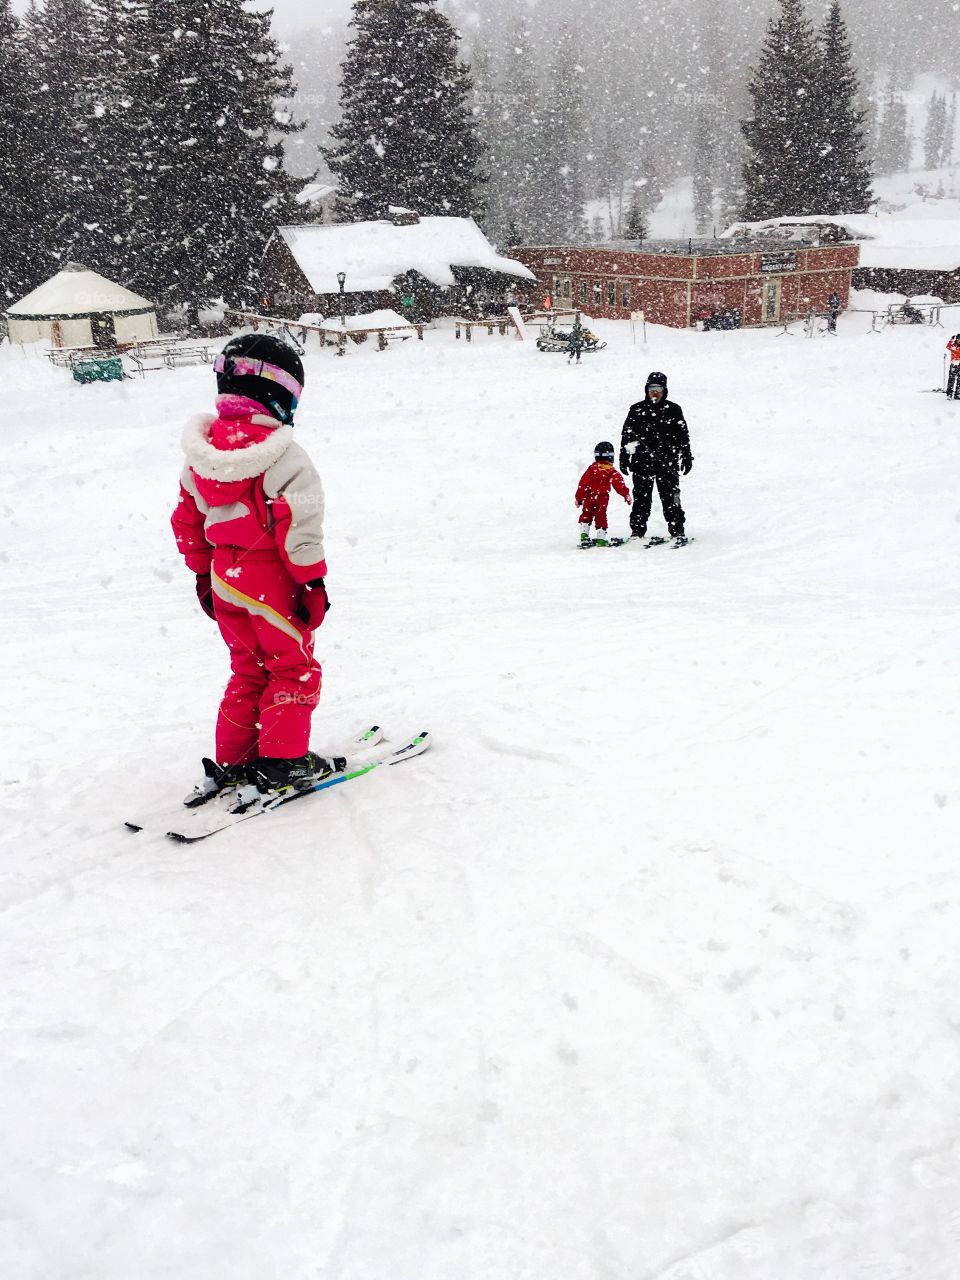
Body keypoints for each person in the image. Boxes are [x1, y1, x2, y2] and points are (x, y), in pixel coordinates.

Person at [171, 332, 333, 799]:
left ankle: (236, 759)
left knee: (247, 667)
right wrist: (312, 583)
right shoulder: (285, 456)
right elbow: (301, 523)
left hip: (225, 578)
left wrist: (204, 573)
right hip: (271, 581)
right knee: (291, 668)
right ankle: (283, 761)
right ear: (281, 396)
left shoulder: (202, 456)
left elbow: (187, 519)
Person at [619, 372, 693, 547]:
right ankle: (637, 530)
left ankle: (677, 529)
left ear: (664, 391)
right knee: (641, 499)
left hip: (667, 463)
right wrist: (624, 456)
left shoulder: (674, 409)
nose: (655, 393)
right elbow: (627, 436)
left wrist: (686, 456)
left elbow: (683, 436)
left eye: (658, 389)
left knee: (671, 498)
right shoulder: (636, 409)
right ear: (646, 390)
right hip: (641, 463)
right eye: (652, 389)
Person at [575, 441, 630, 546]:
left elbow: (583, 483)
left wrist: (579, 497)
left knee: (586, 514)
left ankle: (584, 535)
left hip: (588, 496)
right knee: (601, 516)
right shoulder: (611, 471)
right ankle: (601, 539)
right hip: (602, 498)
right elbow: (619, 484)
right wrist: (625, 494)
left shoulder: (591, 469)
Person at [946, 334, 960, 398]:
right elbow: (948, 346)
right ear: (956, 340)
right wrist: (951, 340)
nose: (959, 341)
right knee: (951, 379)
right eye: (958, 339)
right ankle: (949, 393)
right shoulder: (953, 346)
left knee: (959, 380)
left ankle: (958, 394)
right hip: (954, 364)